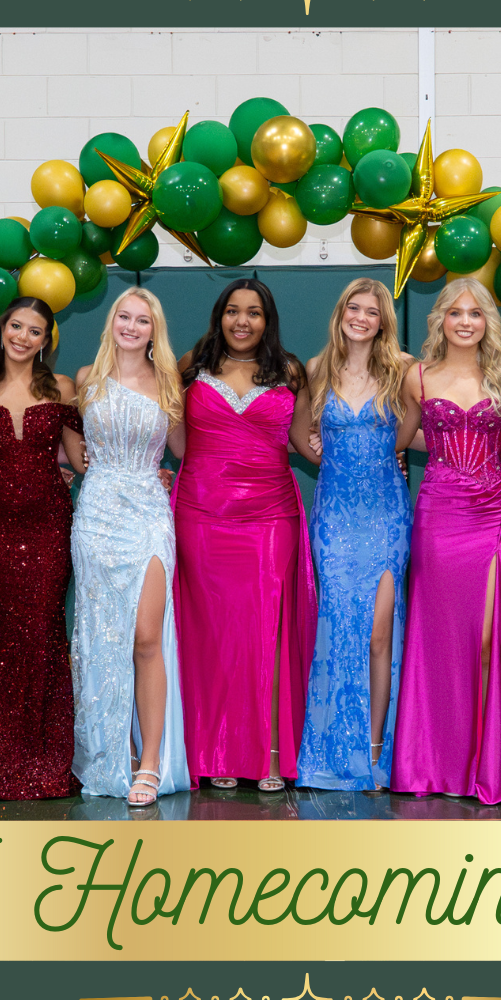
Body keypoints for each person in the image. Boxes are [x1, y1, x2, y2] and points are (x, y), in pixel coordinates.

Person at [392, 277, 501, 805]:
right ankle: (433, 764)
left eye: (475, 314)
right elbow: (400, 439)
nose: (464, 321)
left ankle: (485, 761)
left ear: (487, 323)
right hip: (438, 514)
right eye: (455, 313)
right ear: (441, 320)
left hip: (492, 514)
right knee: (438, 641)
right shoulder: (418, 376)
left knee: (485, 641)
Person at [174, 278, 316, 792]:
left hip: (270, 513)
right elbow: (170, 432)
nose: (242, 321)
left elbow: (302, 441)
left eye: (253, 313)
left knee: (267, 629)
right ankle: (215, 753)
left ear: (267, 320)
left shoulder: (291, 371)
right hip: (202, 512)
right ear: (219, 316)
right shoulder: (193, 364)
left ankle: (268, 753)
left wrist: (365, 456)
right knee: (210, 631)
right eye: (233, 311)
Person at [290, 277, 411, 791]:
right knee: (339, 631)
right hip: (335, 521)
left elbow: (412, 429)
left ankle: (376, 752)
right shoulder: (316, 370)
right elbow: (297, 433)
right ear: (341, 313)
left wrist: (386, 456)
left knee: (380, 633)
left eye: (372, 311)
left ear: (384, 320)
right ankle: (332, 753)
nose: (361, 317)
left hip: (386, 516)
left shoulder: (403, 371)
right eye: (353, 308)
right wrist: (332, 461)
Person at [71, 287, 190, 807]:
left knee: (146, 636)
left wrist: (164, 473)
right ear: (112, 322)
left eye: (143, 320)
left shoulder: (169, 384)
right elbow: (74, 446)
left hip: (148, 516)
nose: (132, 326)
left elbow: (185, 450)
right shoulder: (85, 379)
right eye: (125, 316)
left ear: (154, 330)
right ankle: (110, 754)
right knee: (104, 639)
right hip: (96, 517)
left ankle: (151, 762)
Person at [0, 297, 84, 800]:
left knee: (41, 632)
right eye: (16, 325)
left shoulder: (62, 388)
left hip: (48, 524)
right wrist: (10, 478)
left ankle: (44, 758)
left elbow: (80, 458)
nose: (23, 336)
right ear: (2, 329)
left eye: (36, 331)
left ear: (46, 340)